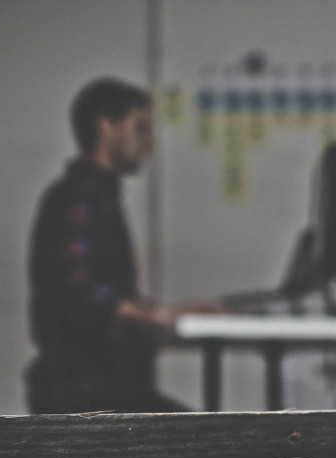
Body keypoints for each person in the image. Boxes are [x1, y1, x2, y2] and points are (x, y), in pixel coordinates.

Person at [26, 78, 215, 414]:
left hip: (100, 390)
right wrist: (159, 316)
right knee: (207, 441)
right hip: (86, 393)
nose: (149, 142)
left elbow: (104, 296)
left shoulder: (96, 196)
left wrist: (173, 312)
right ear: (105, 126)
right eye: (140, 128)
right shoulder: (79, 198)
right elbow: (80, 294)